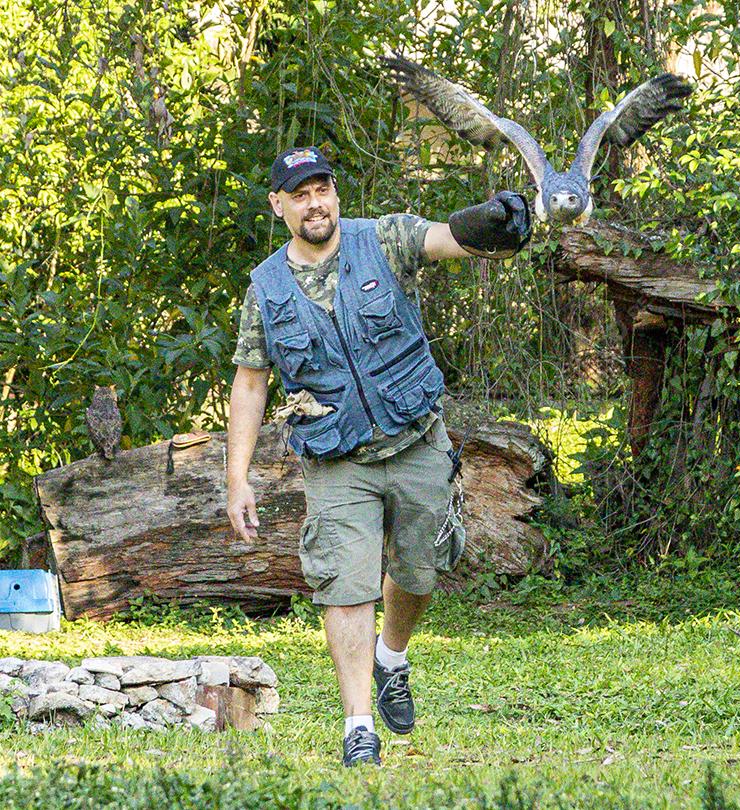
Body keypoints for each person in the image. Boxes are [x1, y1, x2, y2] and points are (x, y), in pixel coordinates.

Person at [225, 146, 530, 766]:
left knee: (419, 570)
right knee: (346, 583)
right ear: (278, 205)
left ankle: (393, 656)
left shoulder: (380, 239)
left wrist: (492, 221)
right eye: (301, 193)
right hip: (339, 458)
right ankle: (358, 726)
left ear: (335, 194)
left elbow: (445, 239)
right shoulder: (266, 287)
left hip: (416, 440)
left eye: (323, 189)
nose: (316, 203)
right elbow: (251, 383)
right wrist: (237, 478)